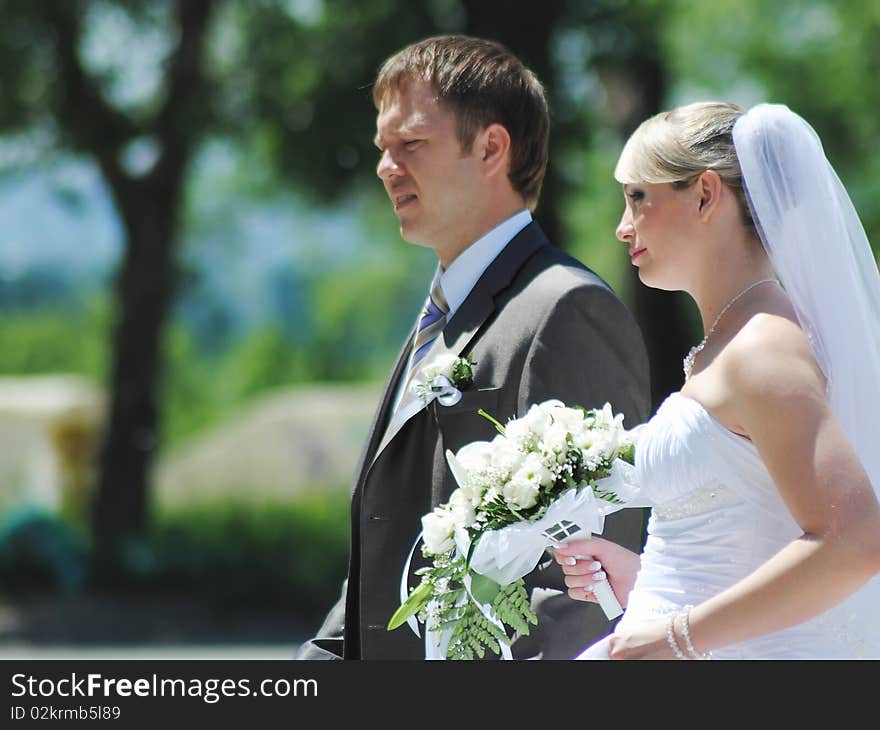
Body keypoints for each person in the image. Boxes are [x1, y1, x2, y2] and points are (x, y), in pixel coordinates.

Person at [296, 35, 651, 660]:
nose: (385, 166)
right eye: (384, 148)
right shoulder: (442, 309)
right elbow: (390, 535)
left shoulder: (565, 310)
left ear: (490, 147)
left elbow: (586, 589)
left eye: (411, 145)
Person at [555, 101, 880, 659]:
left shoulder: (761, 350)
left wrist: (674, 636)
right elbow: (761, 528)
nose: (621, 225)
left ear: (705, 194)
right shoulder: (730, 342)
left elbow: (854, 541)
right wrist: (647, 578)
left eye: (638, 197)